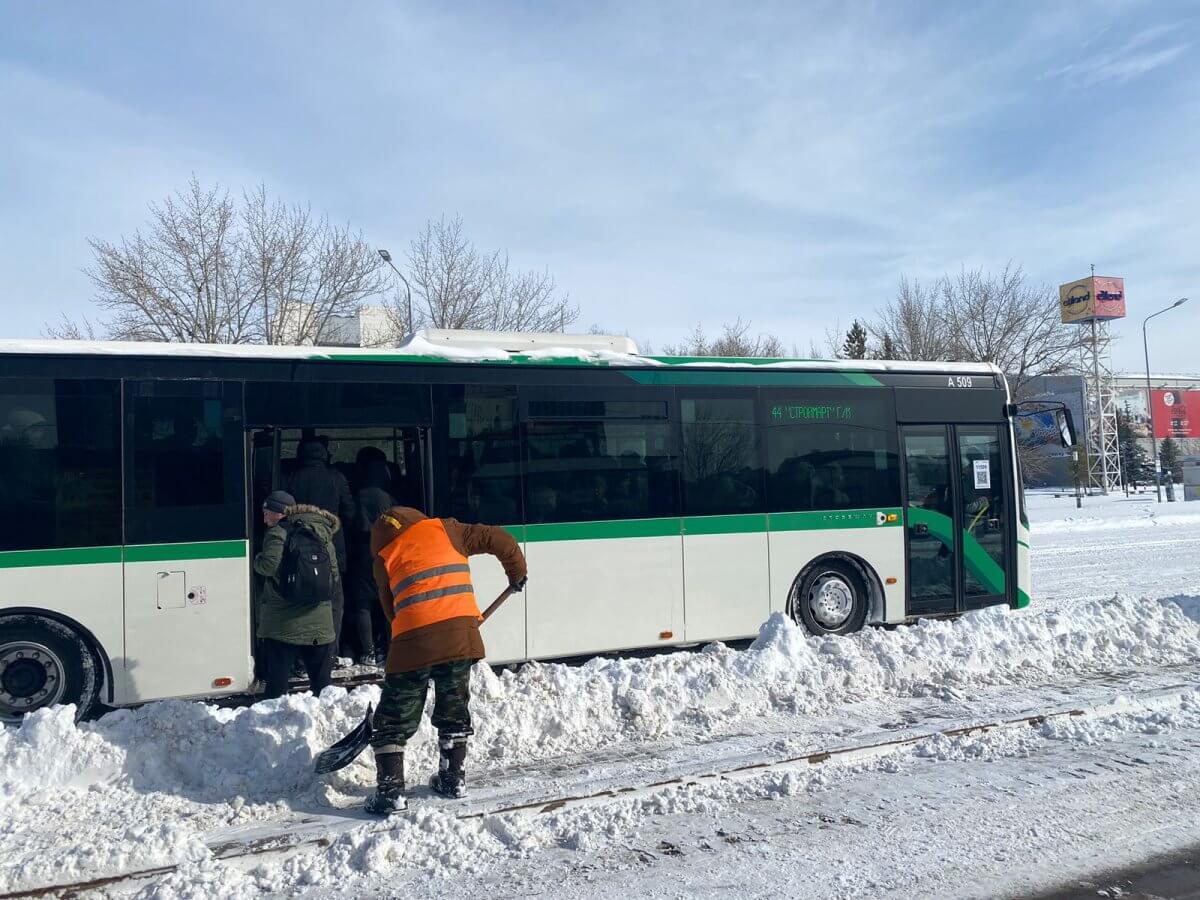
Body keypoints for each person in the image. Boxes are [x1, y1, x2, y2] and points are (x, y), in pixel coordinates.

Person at [363, 506, 527, 815]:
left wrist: (412, 638)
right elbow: (500, 539)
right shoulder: (448, 530)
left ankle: (391, 792)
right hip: (459, 637)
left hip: (413, 641)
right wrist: (516, 572)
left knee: (394, 717)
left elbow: (390, 609)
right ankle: (453, 779)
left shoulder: (383, 556)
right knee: (454, 706)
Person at [253, 491, 339, 699]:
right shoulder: (321, 532)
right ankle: (324, 724)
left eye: (267, 513)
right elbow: (334, 573)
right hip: (320, 624)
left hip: (283, 624)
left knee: (277, 687)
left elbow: (267, 566)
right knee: (322, 688)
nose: (265, 519)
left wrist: (256, 559)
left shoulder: (277, 533)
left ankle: (271, 725)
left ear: (280, 513)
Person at [285, 438, 356, 657]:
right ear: (324, 455)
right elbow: (350, 511)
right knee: (334, 602)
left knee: (300, 602)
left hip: (297, 548)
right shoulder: (336, 477)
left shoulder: (290, 478)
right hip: (331, 548)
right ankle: (329, 652)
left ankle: (300, 653)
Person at [345, 455, 395, 665]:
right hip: (387, 550)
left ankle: (368, 651)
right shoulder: (389, 496)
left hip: (363, 551)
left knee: (363, 604)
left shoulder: (358, 494)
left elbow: (349, 520)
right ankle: (391, 646)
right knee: (388, 602)